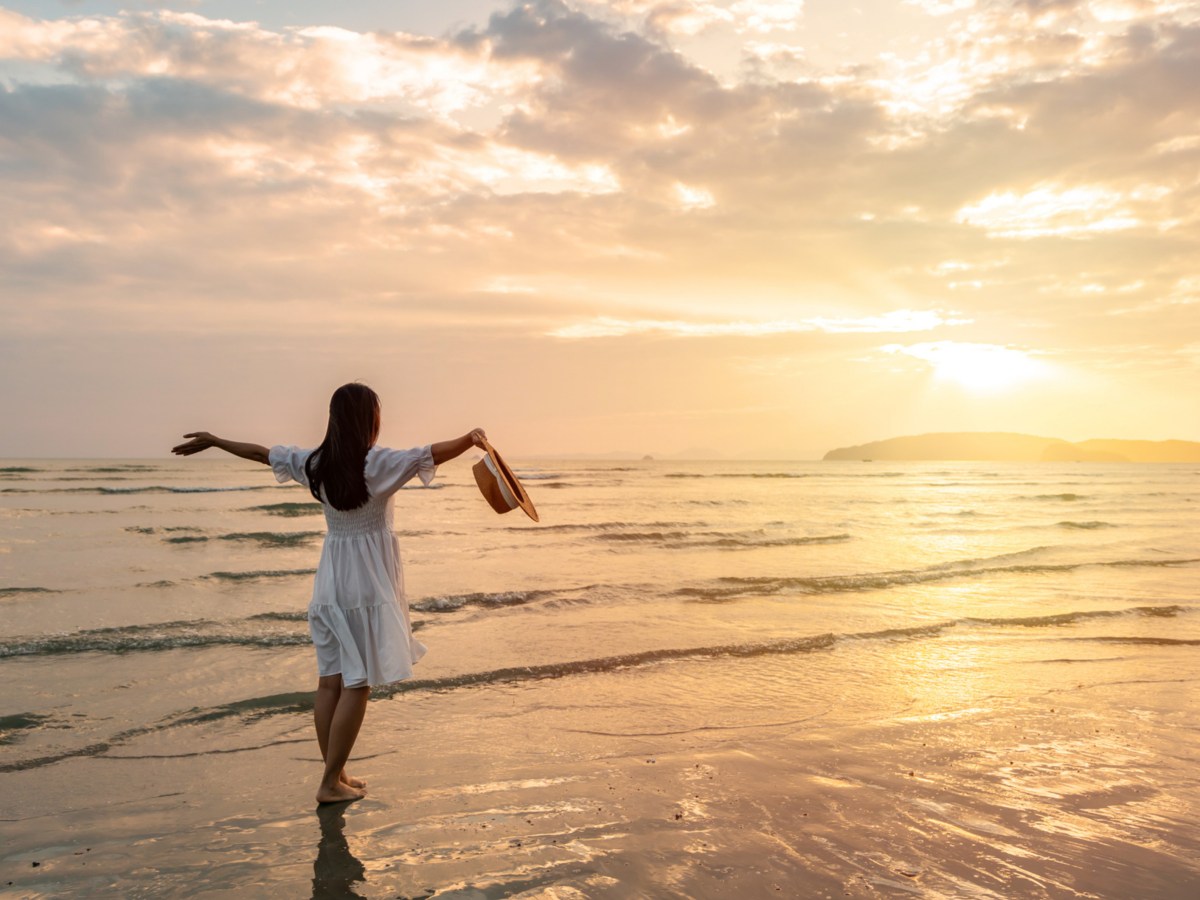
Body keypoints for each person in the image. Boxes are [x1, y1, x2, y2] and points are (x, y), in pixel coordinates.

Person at [172, 382, 485, 804]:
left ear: (335, 420)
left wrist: (215, 441)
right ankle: (328, 783)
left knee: (329, 684)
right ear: (369, 420)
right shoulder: (377, 464)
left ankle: (334, 775)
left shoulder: (315, 463)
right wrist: (471, 439)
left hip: (329, 585)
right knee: (358, 685)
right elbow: (431, 453)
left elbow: (260, 453)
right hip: (366, 587)